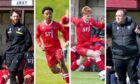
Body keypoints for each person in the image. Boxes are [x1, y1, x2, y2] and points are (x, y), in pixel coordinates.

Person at [36, 6, 69, 84]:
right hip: (48, 50)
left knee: (61, 62)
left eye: (50, 13)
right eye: (47, 13)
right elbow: (37, 37)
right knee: (53, 70)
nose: (48, 15)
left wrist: (67, 40)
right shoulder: (40, 26)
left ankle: (68, 81)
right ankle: (62, 72)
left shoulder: (56, 24)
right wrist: (40, 45)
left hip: (57, 48)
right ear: (43, 15)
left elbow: (65, 32)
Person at [107, 9, 140, 84]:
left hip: (132, 57)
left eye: (119, 16)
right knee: (121, 78)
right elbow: (103, 30)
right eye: (116, 16)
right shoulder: (112, 25)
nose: (117, 17)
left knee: (133, 78)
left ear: (125, 16)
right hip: (117, 57)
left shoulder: (133, 24)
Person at [71, 6, 105, 71]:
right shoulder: (79, 22)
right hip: (80, 47)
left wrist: (103, 23)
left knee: (82, 61)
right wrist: (69, 17)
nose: (90, 17)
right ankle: (104, 72)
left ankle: (71, 69)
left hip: (87, 46)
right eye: (88, 16)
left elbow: (100, 26)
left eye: (90, 16)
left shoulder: (91, 21)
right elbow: (72, 19)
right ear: (83, 15)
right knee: (96, 54)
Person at [5, 9, 32, 84]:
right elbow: (7, 40)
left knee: (12, 71)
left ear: (19, 17)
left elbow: (29, 42)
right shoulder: (8, 28)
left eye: (17, 16)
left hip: (18, 53)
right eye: (14, 16)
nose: (15, 18)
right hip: (9, 54)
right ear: (11, 17)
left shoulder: (23, 28)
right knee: (19, 72)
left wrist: (22, 50)